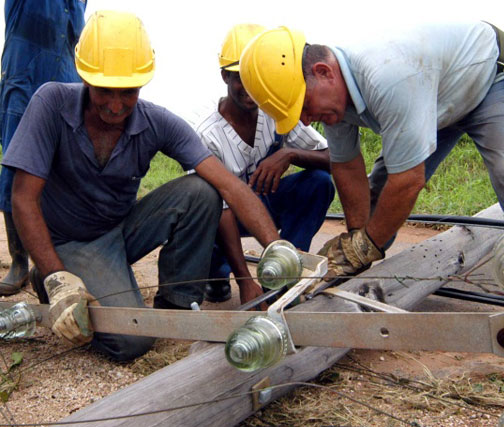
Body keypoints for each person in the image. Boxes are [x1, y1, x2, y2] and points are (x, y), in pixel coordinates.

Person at [239, 24, 504, 372]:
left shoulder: (388, 76)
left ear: (323, 72)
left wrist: (369, 244)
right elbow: (347, 168)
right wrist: (356, 242)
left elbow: (408, 180)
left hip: (487, 82)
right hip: (436, 98)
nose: (306, 119)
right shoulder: (335, 101)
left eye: (302, 105)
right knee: (377, 196)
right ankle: (355, 280)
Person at [1, 11, 293, 362]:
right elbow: (23, 199)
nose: (115, 104)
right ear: (85, 77)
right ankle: (51, 275)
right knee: (131, 343)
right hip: (72, 243)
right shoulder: (50, 103)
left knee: (202, 192)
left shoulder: (157, 121)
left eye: (128, 92)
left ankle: (175, 305)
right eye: (104, 90)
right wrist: (56, 277)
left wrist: (278, 248)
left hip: (121, 231)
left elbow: (230, 186)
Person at [195, 24, 334, 305]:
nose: (250, 88)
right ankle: (218, 273)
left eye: (255, 78)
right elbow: (221, 210)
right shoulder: (207, 134)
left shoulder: (273, 107)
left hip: (266, 204)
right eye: (240, 78)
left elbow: (332, 157)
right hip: (224, 218)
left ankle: (287, 270)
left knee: (319, 182)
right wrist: (244, 279)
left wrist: (289, 155)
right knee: (199, 218)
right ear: (224, 76)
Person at [0, 0, 87, 295]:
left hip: (67, 81)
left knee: (66, 171)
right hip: (24, 80)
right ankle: (19, 262)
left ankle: (56, 256)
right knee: (16, 168)